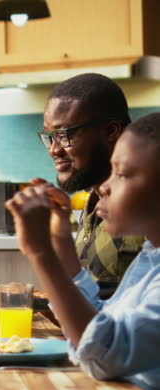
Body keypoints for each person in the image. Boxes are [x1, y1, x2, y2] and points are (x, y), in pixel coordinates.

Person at [7, 112, 160, 390]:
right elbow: (101, 321)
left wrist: (42, 254)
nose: (104, 186)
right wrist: (59, 238)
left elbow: (104, 352)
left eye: (122, 173)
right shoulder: (150, 259)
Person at [36, 73, 144, 298]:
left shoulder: (147, 205)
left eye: (64, 135)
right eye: (50, 136)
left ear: (111, 131)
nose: (53, 150)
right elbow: (87, 301)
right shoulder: (92, 202)